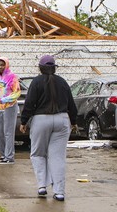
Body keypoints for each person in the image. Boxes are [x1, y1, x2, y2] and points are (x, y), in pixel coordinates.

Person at [19, 55, 77, 202]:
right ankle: (59, 192)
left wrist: (24, 121)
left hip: (41, 119)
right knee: (57, 157)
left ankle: (42, 186)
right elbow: (71, 104)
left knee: (38, 154)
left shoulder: (36, 82)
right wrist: (74, 122)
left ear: (40, 67)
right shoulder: (63, 82)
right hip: (62, 119)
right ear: (54, 67)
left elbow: (29, 103)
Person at [0, 57, 21, 164]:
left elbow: (17, 93)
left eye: (2, 64)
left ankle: (9, 156)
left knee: (8, 132)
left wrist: (5, 99)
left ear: (6, 65)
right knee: (0, 132)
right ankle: (3, 154)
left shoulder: (12, 77)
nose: (0, 67)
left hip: (10, 107)